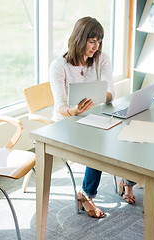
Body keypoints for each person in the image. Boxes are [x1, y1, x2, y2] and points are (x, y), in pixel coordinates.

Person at [49, 16, 136, 218]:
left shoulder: (101, 58)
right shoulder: (59, 66)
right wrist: (75, 110)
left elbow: (111, 93)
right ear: (80, 39)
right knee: (99, 143)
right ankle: (85, 195)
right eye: (92, 41)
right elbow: (61, 107)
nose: (96, 46)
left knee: (131, 132)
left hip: (94, 115)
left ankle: (127, 181)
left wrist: (99, 95)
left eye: (99, 41)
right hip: (67, 122)